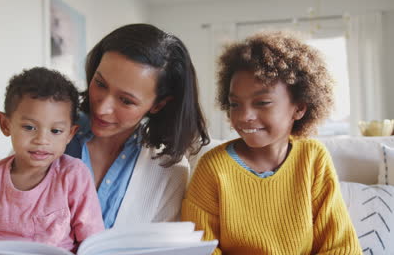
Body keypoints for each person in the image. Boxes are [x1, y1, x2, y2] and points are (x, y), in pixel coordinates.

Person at [181, 31, 362, 254]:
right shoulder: (213, 167)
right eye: (235, 104)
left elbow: (340, 245)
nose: (244, 115)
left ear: (299, 108)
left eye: (262, 102)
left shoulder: (313, 158)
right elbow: (199, 247)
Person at [65, 23, 210, 229]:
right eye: (100, 84)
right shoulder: (49, 130)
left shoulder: (169, 171)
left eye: (126, 100)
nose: (102, 108)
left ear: (158, 105)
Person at [0, 67, 104, 252]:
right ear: (5, 124)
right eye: (29, 127)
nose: (42, 140)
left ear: (69, 134)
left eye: (56, 131)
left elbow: (94, 241)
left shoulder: (73, 175)